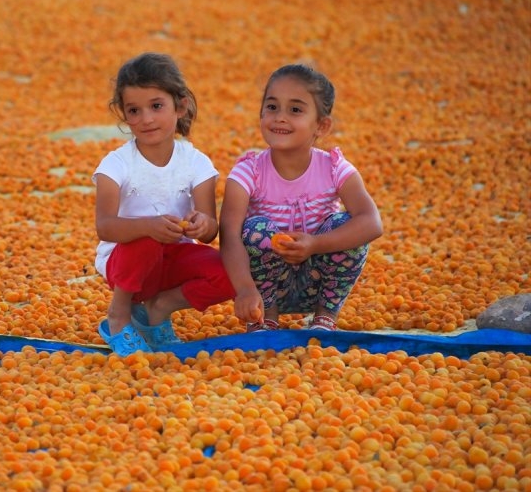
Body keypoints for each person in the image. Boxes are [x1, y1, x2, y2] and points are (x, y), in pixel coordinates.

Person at [220, 63, 382, 332]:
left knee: (347, 224)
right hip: (267, 288)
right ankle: (266, 317)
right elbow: (228, 235)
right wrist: (246, 290)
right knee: (254, 230)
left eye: (295, 110)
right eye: (272, 107)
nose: (280, 117)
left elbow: (372, 222)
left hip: (319, 283)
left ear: (322, 125)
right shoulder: (248, 172)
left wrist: (316, 244)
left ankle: (324, 317)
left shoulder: (333, 168)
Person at [93, 52, 236, 356]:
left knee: (234, 272)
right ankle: (118, 317)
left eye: (156, 106)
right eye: (134, 110)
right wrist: (149, 227)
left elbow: (209, 231)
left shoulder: (196, 163)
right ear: (123, 114)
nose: (146, 119)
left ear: (180, 105)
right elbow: (104, 227)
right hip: (127, 264)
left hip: (173, 257)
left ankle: (158, 309)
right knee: (146, 240)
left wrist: (202, 223)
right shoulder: (116, 164)